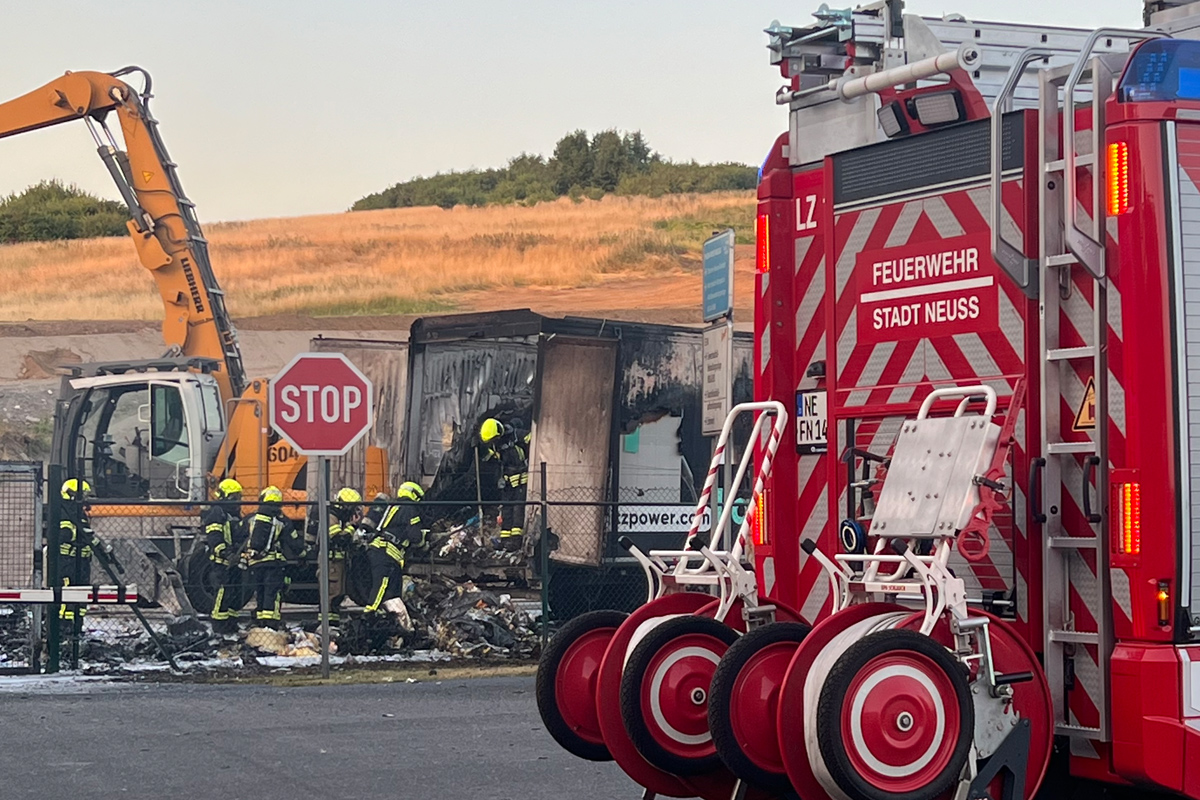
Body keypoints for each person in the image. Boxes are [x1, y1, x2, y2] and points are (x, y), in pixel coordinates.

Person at [362, 482, 427, 616]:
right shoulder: (408, 508)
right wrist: (423, 542)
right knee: (382, 586)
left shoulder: (394, 506)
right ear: (413, 494)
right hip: (386, 553)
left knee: (392, 591)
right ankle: (368, 616)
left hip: (381, 550)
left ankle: (387, 619)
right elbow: (415, 536)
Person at [306, 487, 362, 627]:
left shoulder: (340, 517)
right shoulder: (331, 516)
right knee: (330, 594)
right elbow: (337, 539)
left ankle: (332, 624)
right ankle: (326, 627)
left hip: (338, 561)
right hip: (330, 562)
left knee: (338, 595)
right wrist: (352, 527)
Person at [479, 417, 530, 551]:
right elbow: (494, 461)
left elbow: (533, 439)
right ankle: (505, 539)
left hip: (521, 480)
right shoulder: (495, 445)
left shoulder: (515, 435)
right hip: (507, 482)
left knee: (518, 509)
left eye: (493, 440)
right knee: (506, 510)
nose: (493, 444)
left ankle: (516, 541)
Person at [203, 478, 246, 636]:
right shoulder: (217, 512)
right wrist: (225, 552)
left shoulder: (234, 514)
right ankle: (219, 625)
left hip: (234, 560)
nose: (238, 500)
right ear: (226, 496)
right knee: (223, 592)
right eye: (235, 496)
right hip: (222, 562)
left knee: (236, 593)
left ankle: (231, 624)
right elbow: (214, 536)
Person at [245, 486, 288, 630]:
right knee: (272, 593)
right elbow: (292, 542)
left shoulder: (252, 519)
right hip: (272, 563)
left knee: (261, 593)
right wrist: (303, 555)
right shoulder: (280, 521)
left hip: (255, 563)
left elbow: (242, 536)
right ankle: (271, 624)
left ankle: (260, 622)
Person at [58, 478, 94, 623]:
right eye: (82, 495)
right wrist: (80, 535)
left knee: (82, 594)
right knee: (68, 594)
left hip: (82, 561)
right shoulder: (65, 511)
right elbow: (65, 533)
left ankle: (77, 624)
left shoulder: (78, 512)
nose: (85, 499)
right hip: (68, 561)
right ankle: (64, 625)